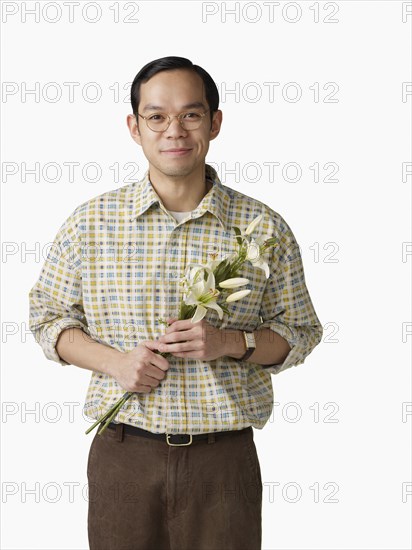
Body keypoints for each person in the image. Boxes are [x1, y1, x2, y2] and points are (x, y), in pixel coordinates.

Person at [29, 56, 323, 550]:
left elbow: (299, 334)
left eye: (191, 114)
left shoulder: (262, 228)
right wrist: (116, 363)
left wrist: (230, 341)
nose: (175, 130)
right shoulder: (91, 222)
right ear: (134, 126)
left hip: (223, 462)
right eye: (157, 116)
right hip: (123, 453)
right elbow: (46, 317)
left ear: (215, 122)